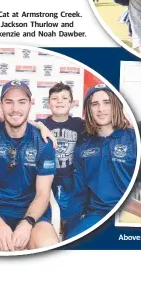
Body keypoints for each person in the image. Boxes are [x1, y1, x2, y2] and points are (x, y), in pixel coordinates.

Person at [0, 80, 58, 252]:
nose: (15, 108)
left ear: (30, 104)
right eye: (9, 102)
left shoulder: (44, 142)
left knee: (48, 247)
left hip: (31, 214)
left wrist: (27, 222)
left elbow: (43, 193)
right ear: (1, 105)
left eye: (22, 102)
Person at [64, 85, 138, 238]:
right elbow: (79, 194)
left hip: (131, 212)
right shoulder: (82, 147)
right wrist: (69, 230)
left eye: (106, 102)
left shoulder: (133, 139)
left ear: (116, 105)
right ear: (89, 109)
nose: (101, 109)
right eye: (95, 104)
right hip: (97, 215)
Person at [40, 83, 85, 219]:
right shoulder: (42, 124)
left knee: (68, 220)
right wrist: (39, 125)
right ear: (48, 103)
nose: (59, 101)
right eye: (55, 98)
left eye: (65, 98)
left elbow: (102, 125)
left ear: (72, 104)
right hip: (46, 179)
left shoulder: (80, 124)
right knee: (48, 218)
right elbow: (24, 122)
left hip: (71, 180)